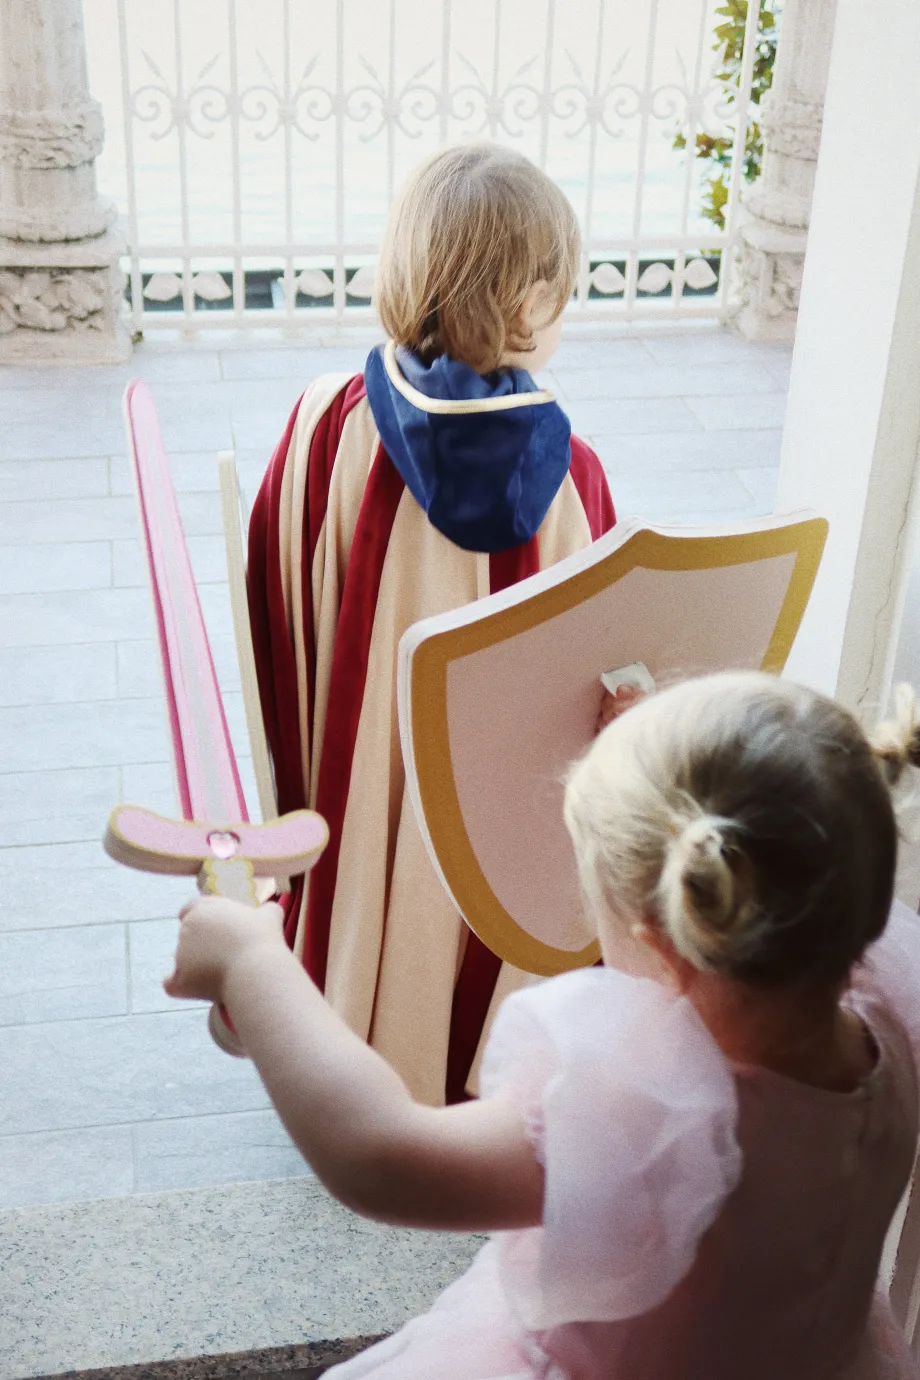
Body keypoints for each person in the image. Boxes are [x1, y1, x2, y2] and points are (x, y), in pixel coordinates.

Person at [167, 671, 920, 1379]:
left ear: (662, 940)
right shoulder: (890, 994)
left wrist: (249, 962)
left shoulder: (656, 1118)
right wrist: (652, 766)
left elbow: (382, 1156)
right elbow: (786, 841)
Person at [247, 143, 615, 1105]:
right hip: (487, 834)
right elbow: (600, 669)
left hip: (358, 789)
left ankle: (349, 1013)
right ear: (530, 303)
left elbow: (276, 579)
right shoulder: (567, 477)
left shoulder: (326, 420)